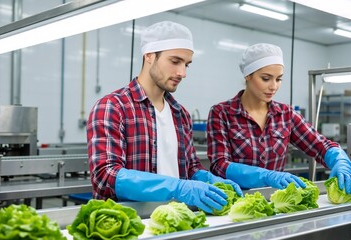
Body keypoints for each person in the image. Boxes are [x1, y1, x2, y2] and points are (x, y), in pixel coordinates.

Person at [87, 21, 242, 213]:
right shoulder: (113, 107)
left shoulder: (180, 114)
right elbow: (106, 176)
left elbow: (191, 168)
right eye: (175, 61)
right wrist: (177, 188)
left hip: (175, 220)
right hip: (130, 223)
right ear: (149, 56)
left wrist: (211, 180)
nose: (182, 73)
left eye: (187, 64)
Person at [206, 43, 351, 194]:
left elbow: (320, 145)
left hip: (276, 201)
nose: (273, 86)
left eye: (279, 79)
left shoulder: (286, 114)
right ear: (248, 75)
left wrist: (339, 160)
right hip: (236, 201)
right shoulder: (222, 113)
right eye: (266, 79)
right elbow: (220, 164)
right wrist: (265, 176)